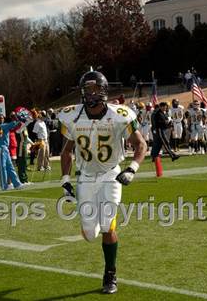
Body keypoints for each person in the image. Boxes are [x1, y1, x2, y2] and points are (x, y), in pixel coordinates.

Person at [58, 70, 147, 294]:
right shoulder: (71, 115)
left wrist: (132, 169)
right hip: (86, 176)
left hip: (111, 174)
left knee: (108, 225)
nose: (91, 93)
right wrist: (65, 179)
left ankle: (110, 273)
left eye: (95, 89)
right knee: (90, 234)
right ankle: (94, 223)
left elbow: (141, 145)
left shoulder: (120, 115)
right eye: (87, 89)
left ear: (104, 91)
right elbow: (67, 151)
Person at [0, 114, 25, 190]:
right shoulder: (0, 126)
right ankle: (4, 186)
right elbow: (13, 124)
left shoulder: (4, 125)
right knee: (2, 167)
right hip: (0, 148)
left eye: (2, 118)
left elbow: (16, 125)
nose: (2, 119)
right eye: (0, 118)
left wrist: (16, 119)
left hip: (5, 148)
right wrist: (15, 118)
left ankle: (17, 183)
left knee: (10, 166)